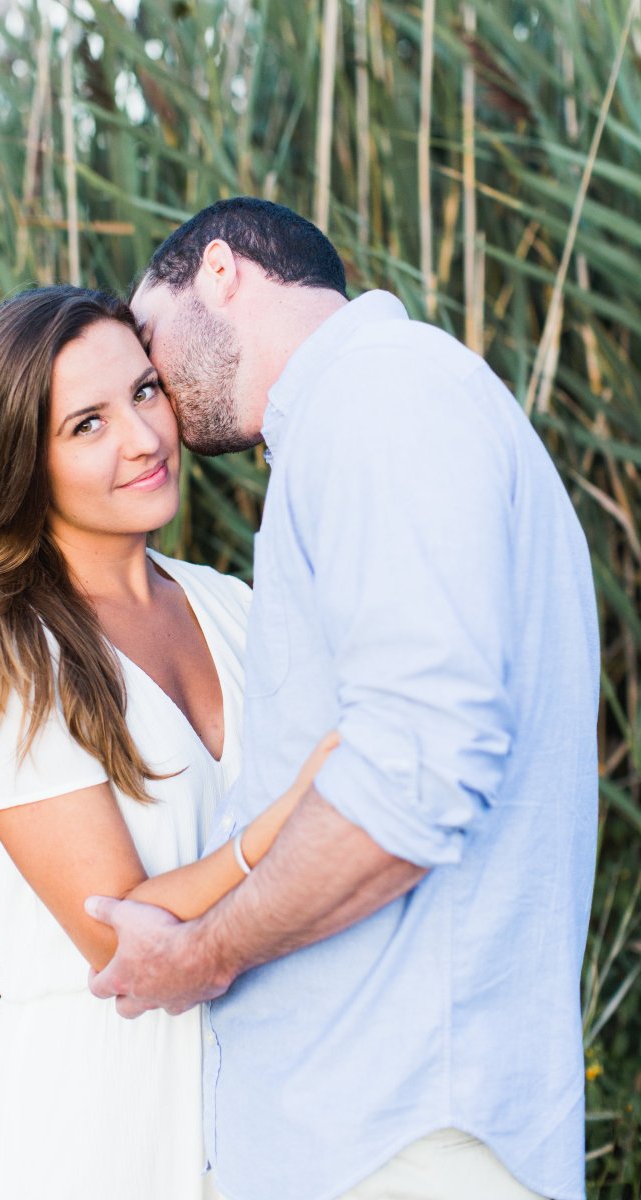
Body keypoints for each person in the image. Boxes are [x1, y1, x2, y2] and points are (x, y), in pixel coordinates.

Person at [87, 198, 601, 1200]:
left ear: (221, 272)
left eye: (147, 352)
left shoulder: (380, 397)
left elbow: (412, 769)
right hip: (386, 1129)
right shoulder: (371, 411)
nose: (152, 406)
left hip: (401, 1135)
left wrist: (203, 953)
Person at [0, 284, 335, 1200]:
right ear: (20, 461)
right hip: (94, 1117)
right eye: (87, 425)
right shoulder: (3, 657)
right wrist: (300, 812)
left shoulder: (236, 607)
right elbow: (122, 936)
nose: (144, 438)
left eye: (146, 392)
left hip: (260, 1110)